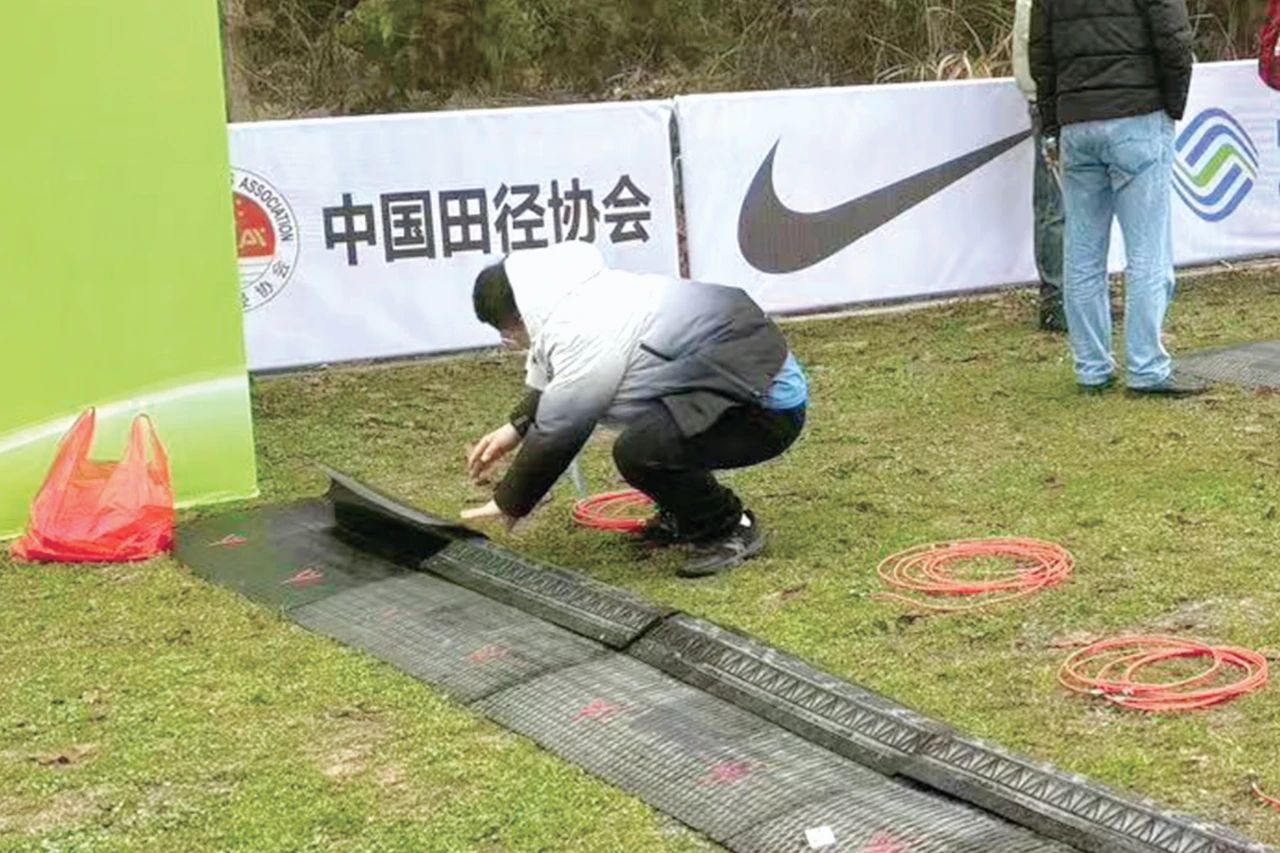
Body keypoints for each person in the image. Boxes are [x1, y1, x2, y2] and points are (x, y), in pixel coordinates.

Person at [460, 242, 808, 578]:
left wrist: (509, 501)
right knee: (650, 438)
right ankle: (686, 515)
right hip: (736, 376)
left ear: (521, 316)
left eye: (506, 332)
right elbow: (558, 381)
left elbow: (562, 427)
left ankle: (729, 528)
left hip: (765, 407)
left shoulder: (581, 327)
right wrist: (515, 427)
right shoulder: (572, 296)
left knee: (642, 452)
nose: (510, 342)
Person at [1030, 0, 1207, 395]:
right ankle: (1146, 368)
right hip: (1138, 114)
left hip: (1077, 122)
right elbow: (1175, 39)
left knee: (1082, 255)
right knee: (1147, 252)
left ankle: (1091, 368)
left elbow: (1040, 54)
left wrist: (1054, 121)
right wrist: (1171, 106)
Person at [1013, 0, 1066, 332]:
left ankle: (1077, 293)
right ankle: (1056, 300)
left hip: (1064, 95)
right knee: (1054, 205)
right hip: (1050, 100)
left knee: (1069, 205)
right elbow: (1035, 44)